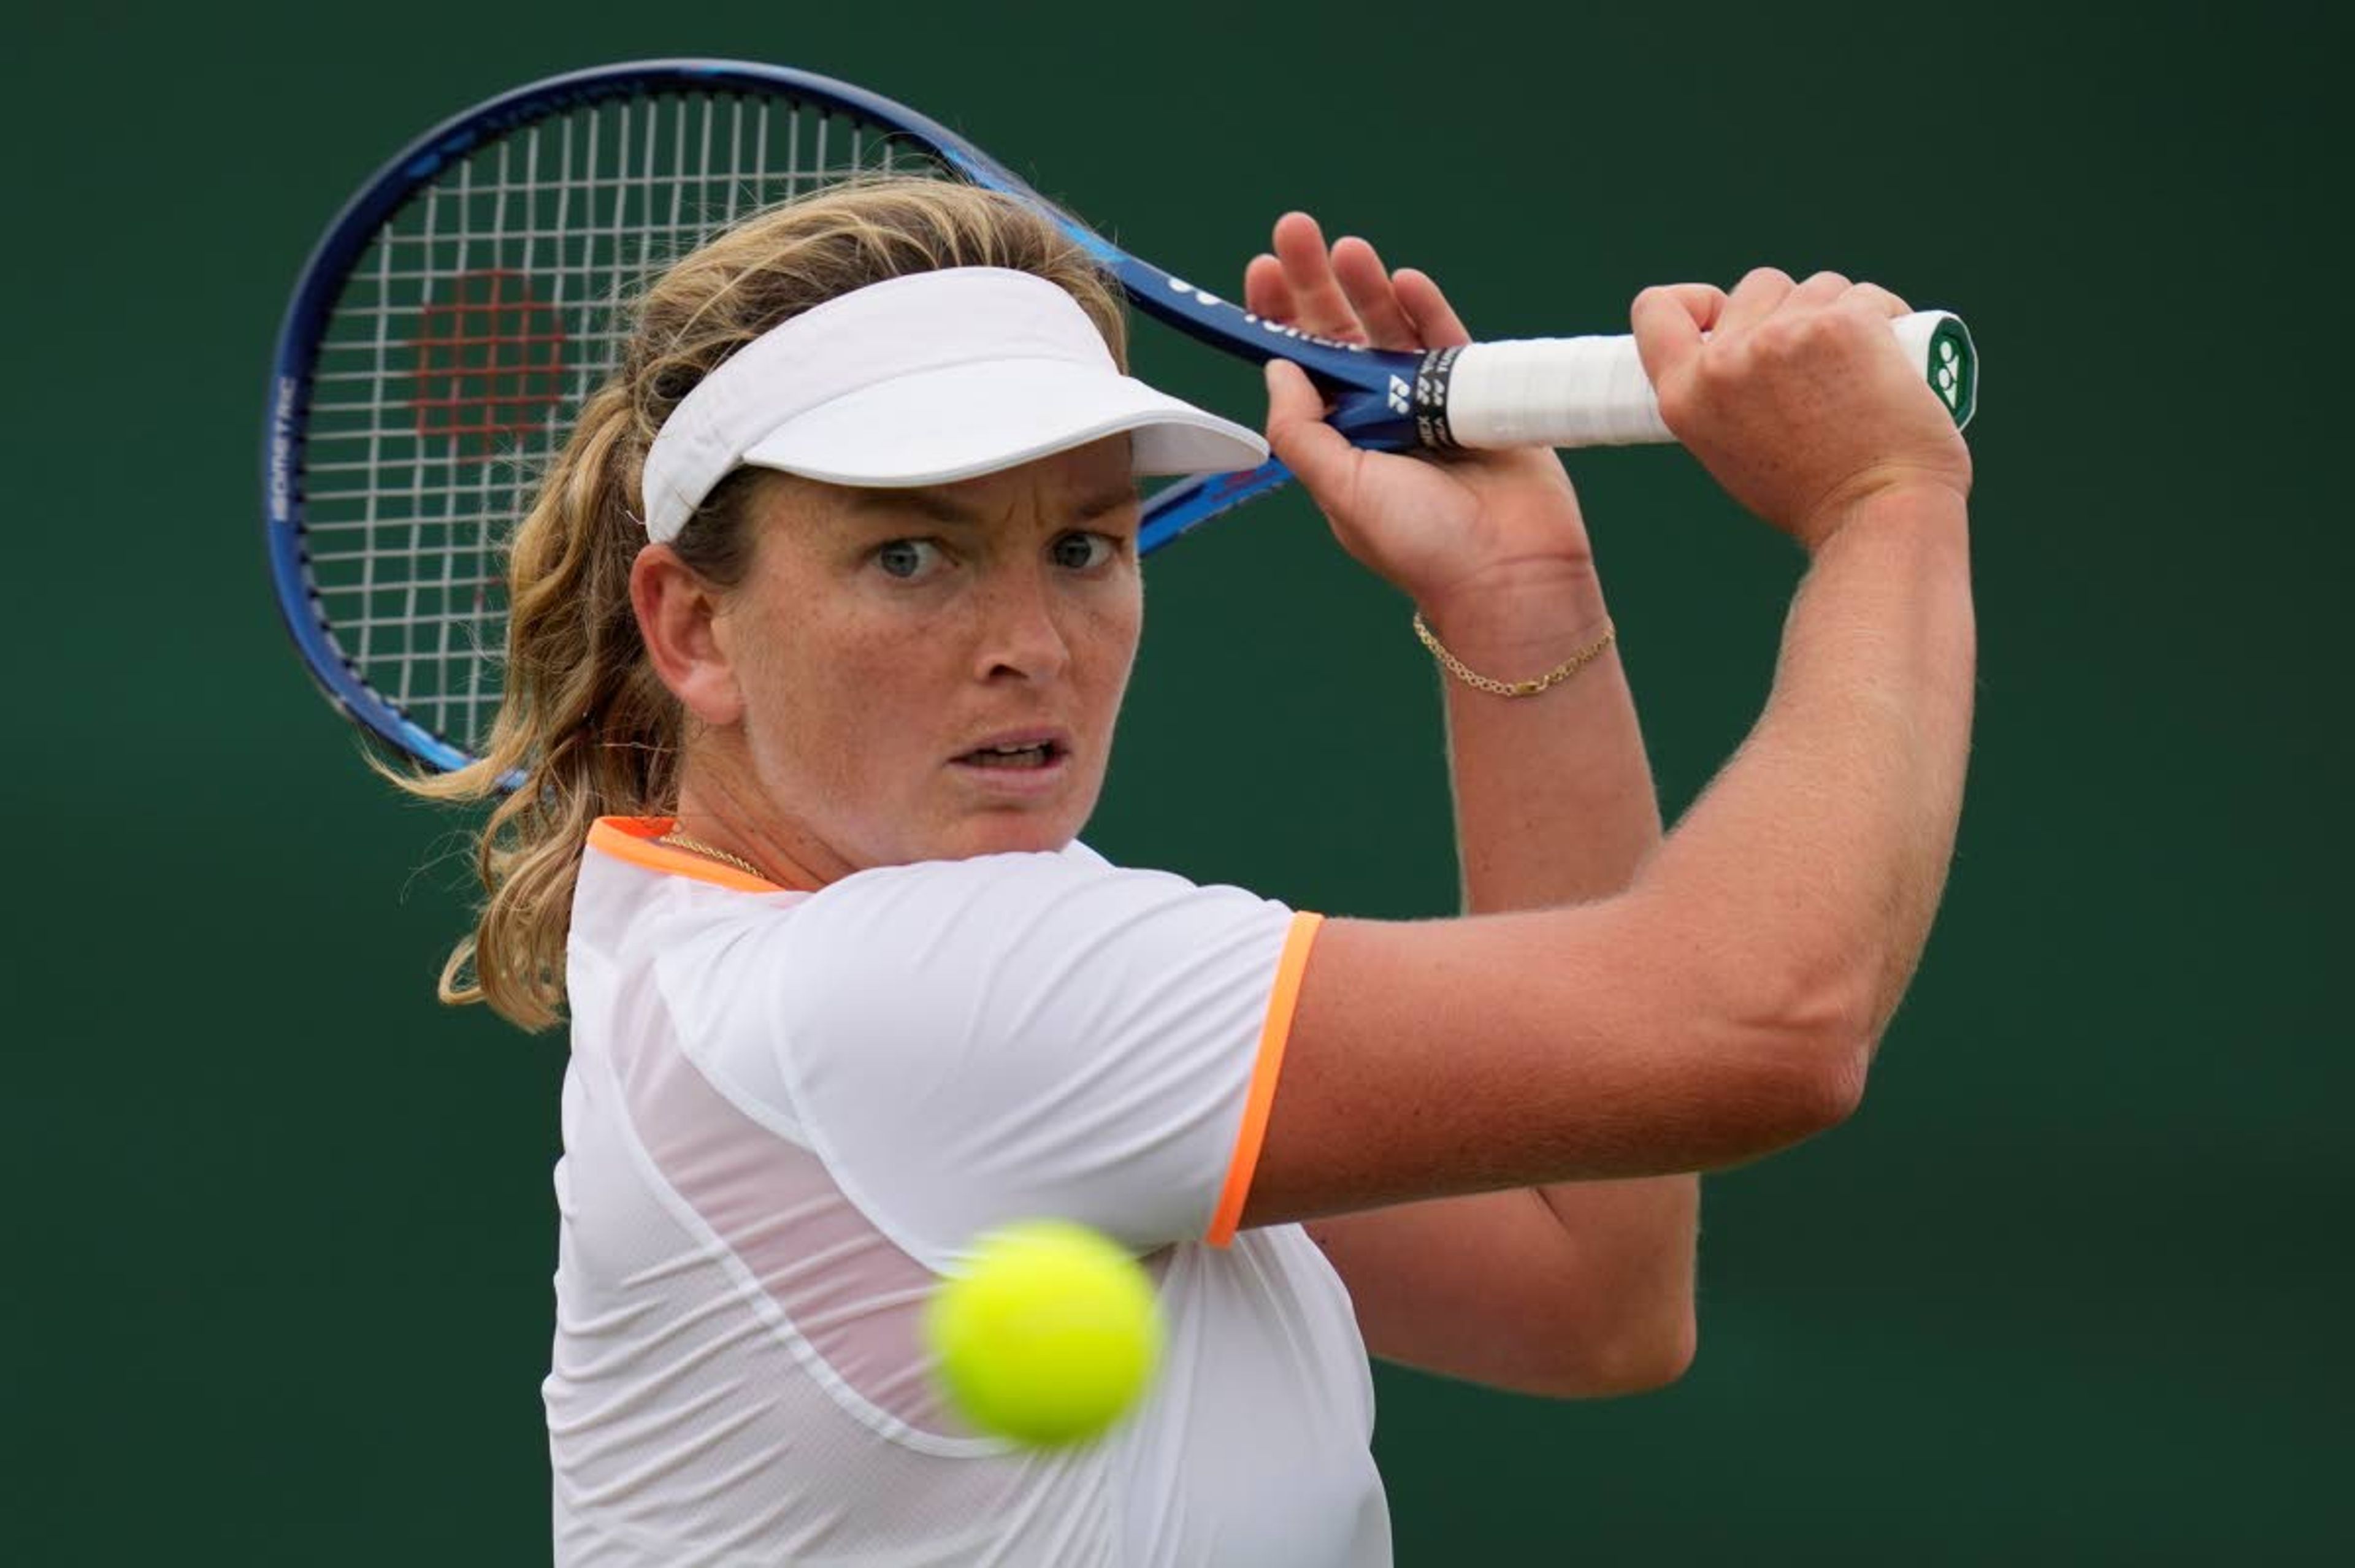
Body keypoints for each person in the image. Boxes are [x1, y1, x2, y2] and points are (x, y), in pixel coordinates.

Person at [414, 176, 1975, 1565]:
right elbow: (1767, 1024)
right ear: (694, 625)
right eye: (913, 555)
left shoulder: (783, 973)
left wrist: (1522, 602)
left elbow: (1588, 1288)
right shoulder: (908, 993)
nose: (1031, 646)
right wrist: (1884, 507)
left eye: (1085, 547)